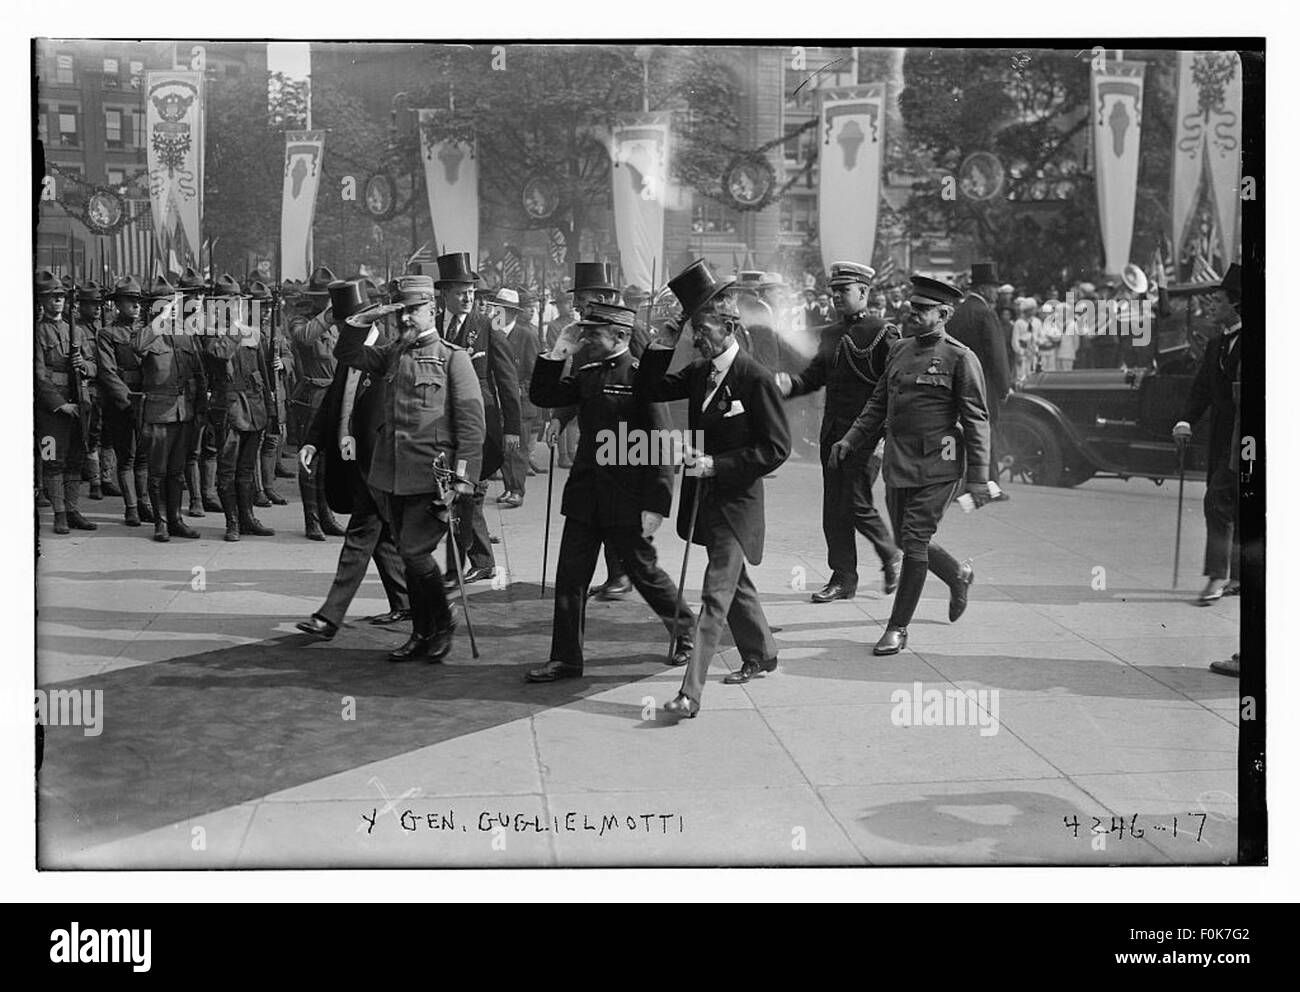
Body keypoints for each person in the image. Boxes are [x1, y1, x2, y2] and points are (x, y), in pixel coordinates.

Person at [634, 259, 791, 719]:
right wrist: (661, 341)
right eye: (692, 331)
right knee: (735, 583)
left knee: (714, 595)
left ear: (728, 326)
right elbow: (651, 390)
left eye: (702, 329)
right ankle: (763, 652)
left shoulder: (754, 377)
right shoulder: (701, 373)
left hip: (738, 506)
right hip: (707, 503)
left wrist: (714, 464)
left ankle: (690, 694)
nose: (695, 338)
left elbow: (776, 448)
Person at [525, 302, 696, 682]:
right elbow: (543, 395)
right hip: (586, 496)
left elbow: (661, 444)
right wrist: (558, 353)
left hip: (628, 499)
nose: (587, 339)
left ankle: (687, 631)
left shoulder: (642, 378)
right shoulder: (586, 373)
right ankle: (566, 659)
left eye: (594, 333)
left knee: (644, 573)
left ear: (619, 336)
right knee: (570, 578)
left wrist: (656, 504)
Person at [829, 275, 993, 656]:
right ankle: (957, 574)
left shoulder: (960, 358)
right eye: (912, 306)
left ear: (945, 314)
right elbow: (877, 403)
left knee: (914, 540)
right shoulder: (899, 350)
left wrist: (980, 479)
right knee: (906, 540)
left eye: (922, 309)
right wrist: (851, 438)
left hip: (940, 466)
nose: (912, 313)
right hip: (899, 463)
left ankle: (897, 628)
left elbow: (976, 420)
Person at [334, 274, 486, 663]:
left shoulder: (455, 358)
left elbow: (471, 426)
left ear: (432, 308)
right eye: (399, 312)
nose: (405, 319)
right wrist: (363, 319)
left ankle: (444, 620)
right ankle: (421, 632)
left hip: (432, 477)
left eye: (413, 310)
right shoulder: (391, 354)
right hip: (390, 476)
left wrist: (464, 480)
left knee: (416, 554)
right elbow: (348, 355)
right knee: (406, 554)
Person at [776, 261, 902, 603]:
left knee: (857, 502)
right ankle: (843, 577)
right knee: (834, 508)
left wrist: (885, 437)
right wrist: (790, 385)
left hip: (868, 436)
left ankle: (890, 554)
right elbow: (815, 376)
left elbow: (896, 388)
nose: (836, 297)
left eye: (843, 291)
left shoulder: (883, 333)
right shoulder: (831, 334)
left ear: (864, 292)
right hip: (832, 436)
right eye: (833, 291)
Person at [296, 280, 410, 640]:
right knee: (382, 539)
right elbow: (334, 400)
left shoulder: (388, 353)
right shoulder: (353, 352)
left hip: (380, 462)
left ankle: (329, 617)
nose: (344, 327)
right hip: (356, 461)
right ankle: (414, 604)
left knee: (360, 538)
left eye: (350, 320)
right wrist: (314, 441)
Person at [545, 261, 634, 600]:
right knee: (598, 509)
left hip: (626, 437)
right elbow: (578, 383)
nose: (577, 306)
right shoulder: (586, 332)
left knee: (615, 511)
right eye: (577, 300)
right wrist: (559, 417)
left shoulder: (626, 329)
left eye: (582, 299)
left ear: (602, 296)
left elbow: (646, 383)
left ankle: (624, 575)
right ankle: (617, 575)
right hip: (595, 431)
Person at [435, 251, 522, 584]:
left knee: (470, 492)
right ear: (444, 295)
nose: (468, 297)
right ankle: (474, 561)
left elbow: (507, 380)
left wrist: (512, 428)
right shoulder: (435, 325)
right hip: (443, 424)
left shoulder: (485, 326)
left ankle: (471, 562)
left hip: (480, 424)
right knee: (456, 493)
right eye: (460, 292)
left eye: (471, 291)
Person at [1172, 263, 1242, 606]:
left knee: (1218, 502)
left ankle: (1219, 576)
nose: (1211, 306)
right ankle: (1235, 577)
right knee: (1227, 503)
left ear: (1236, 304)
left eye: (1218, 300)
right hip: (1221, 441)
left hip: (1248, 442)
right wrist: (1185, 421)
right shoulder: (1216, 344)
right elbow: (1201, 391)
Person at [202, 274, 276, 542]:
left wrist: (270, 409)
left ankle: (247, 518)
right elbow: (220, 354)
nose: (232, 306)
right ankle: (232, 521)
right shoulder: (210, 332)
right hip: (229, 409)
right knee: (227, 469)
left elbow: (264, 374)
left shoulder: (253, 334)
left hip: (254, 408)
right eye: (226, 302)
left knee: (246, 469)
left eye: (235, 301)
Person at [136, 275, 208, 542]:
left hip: (183, 411)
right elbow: (138, 346)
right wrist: (162, 315)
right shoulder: (148, 333)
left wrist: (201, 408)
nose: (173, 307)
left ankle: (176, 518)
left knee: (177, 471)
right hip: (158, 412)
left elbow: (199, 373)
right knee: (158, 472)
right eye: (166, 303)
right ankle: (161, 522)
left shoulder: (184, 334)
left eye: (174, 302)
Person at [35, 269, 98, 534]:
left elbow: (95, 366)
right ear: (42, 301)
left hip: (79, 404)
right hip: (52, 410)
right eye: (51, 297)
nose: (57, 301)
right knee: (52, 460)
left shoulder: (77, 331)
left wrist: (83, 365)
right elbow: (38, 374)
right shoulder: (37, 332)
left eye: (60, 296)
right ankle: (59, 513)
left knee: (75, 459)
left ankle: (72, 510)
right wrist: (60, 404)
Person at [289, 265, 347, 541]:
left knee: (327, 462)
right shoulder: (301, 321)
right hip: (311, 395)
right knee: (309, 460)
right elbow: (303, 338)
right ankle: (311, 520)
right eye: (321, 296)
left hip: (335, 395)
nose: (326, 300)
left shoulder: (340, 322)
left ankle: (326, 516)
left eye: (330, 296)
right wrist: (329, 315)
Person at [946, 262, 1012, 490]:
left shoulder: (958, 313)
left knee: (961, 430)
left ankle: (958, 481)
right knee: (986, 431)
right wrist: (1004, 387)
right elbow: (997, 356)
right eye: (994, 287)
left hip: (957, 383)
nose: (996, 292)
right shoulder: (986, 314)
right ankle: (990, 483)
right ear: (984, 289)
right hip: (983, 385)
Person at [97, 276, 154, 526]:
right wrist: (127, 400)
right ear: (117, 304)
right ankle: (131, 506)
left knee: (143, 455)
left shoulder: (146, 332)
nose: (136, 306)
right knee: (126, 455)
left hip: (146, 399)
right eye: (130, 301)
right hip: (121, 402)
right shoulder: (107, 334)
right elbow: (107, 371)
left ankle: (144, 504)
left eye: (138, 301)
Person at [492, 288, 537, 509]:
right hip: (500, 400)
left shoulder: (526, 335)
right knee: (503, 447)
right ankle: (509, 487)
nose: (498, 313)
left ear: (514, 313)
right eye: (497, 308)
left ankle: (517, 490)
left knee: (517, 449)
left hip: (521, 402)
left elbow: (534, 371)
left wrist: (523, 390)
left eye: (504, 310)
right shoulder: (493, 332)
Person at [249, 280, 293, 508]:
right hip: (258, 394)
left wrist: (282, 363)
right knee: (257, 442)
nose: (265, 312)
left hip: (278, 392)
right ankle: (256, 490)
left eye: (268, 307)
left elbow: (289, 355)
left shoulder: (276, 331)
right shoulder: (246, 332)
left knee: (273, 441)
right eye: (261, 307)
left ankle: (269, 487)